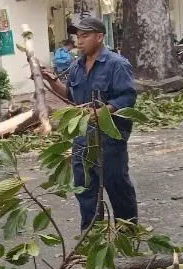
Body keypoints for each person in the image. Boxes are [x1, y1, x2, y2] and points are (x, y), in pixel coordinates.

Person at [42, 17, 139, 230]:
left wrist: (101, 113)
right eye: (77, 36)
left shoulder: (117, 64)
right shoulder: (77, 66)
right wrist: (53, 81)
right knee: (86, 191)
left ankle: (128, 234)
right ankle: (92, 238)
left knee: (117, 187)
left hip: (109, 140)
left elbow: (126, 98)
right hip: (82, 139)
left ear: (100, 37)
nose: (79, 41)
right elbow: (71, 96)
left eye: (85, 36)